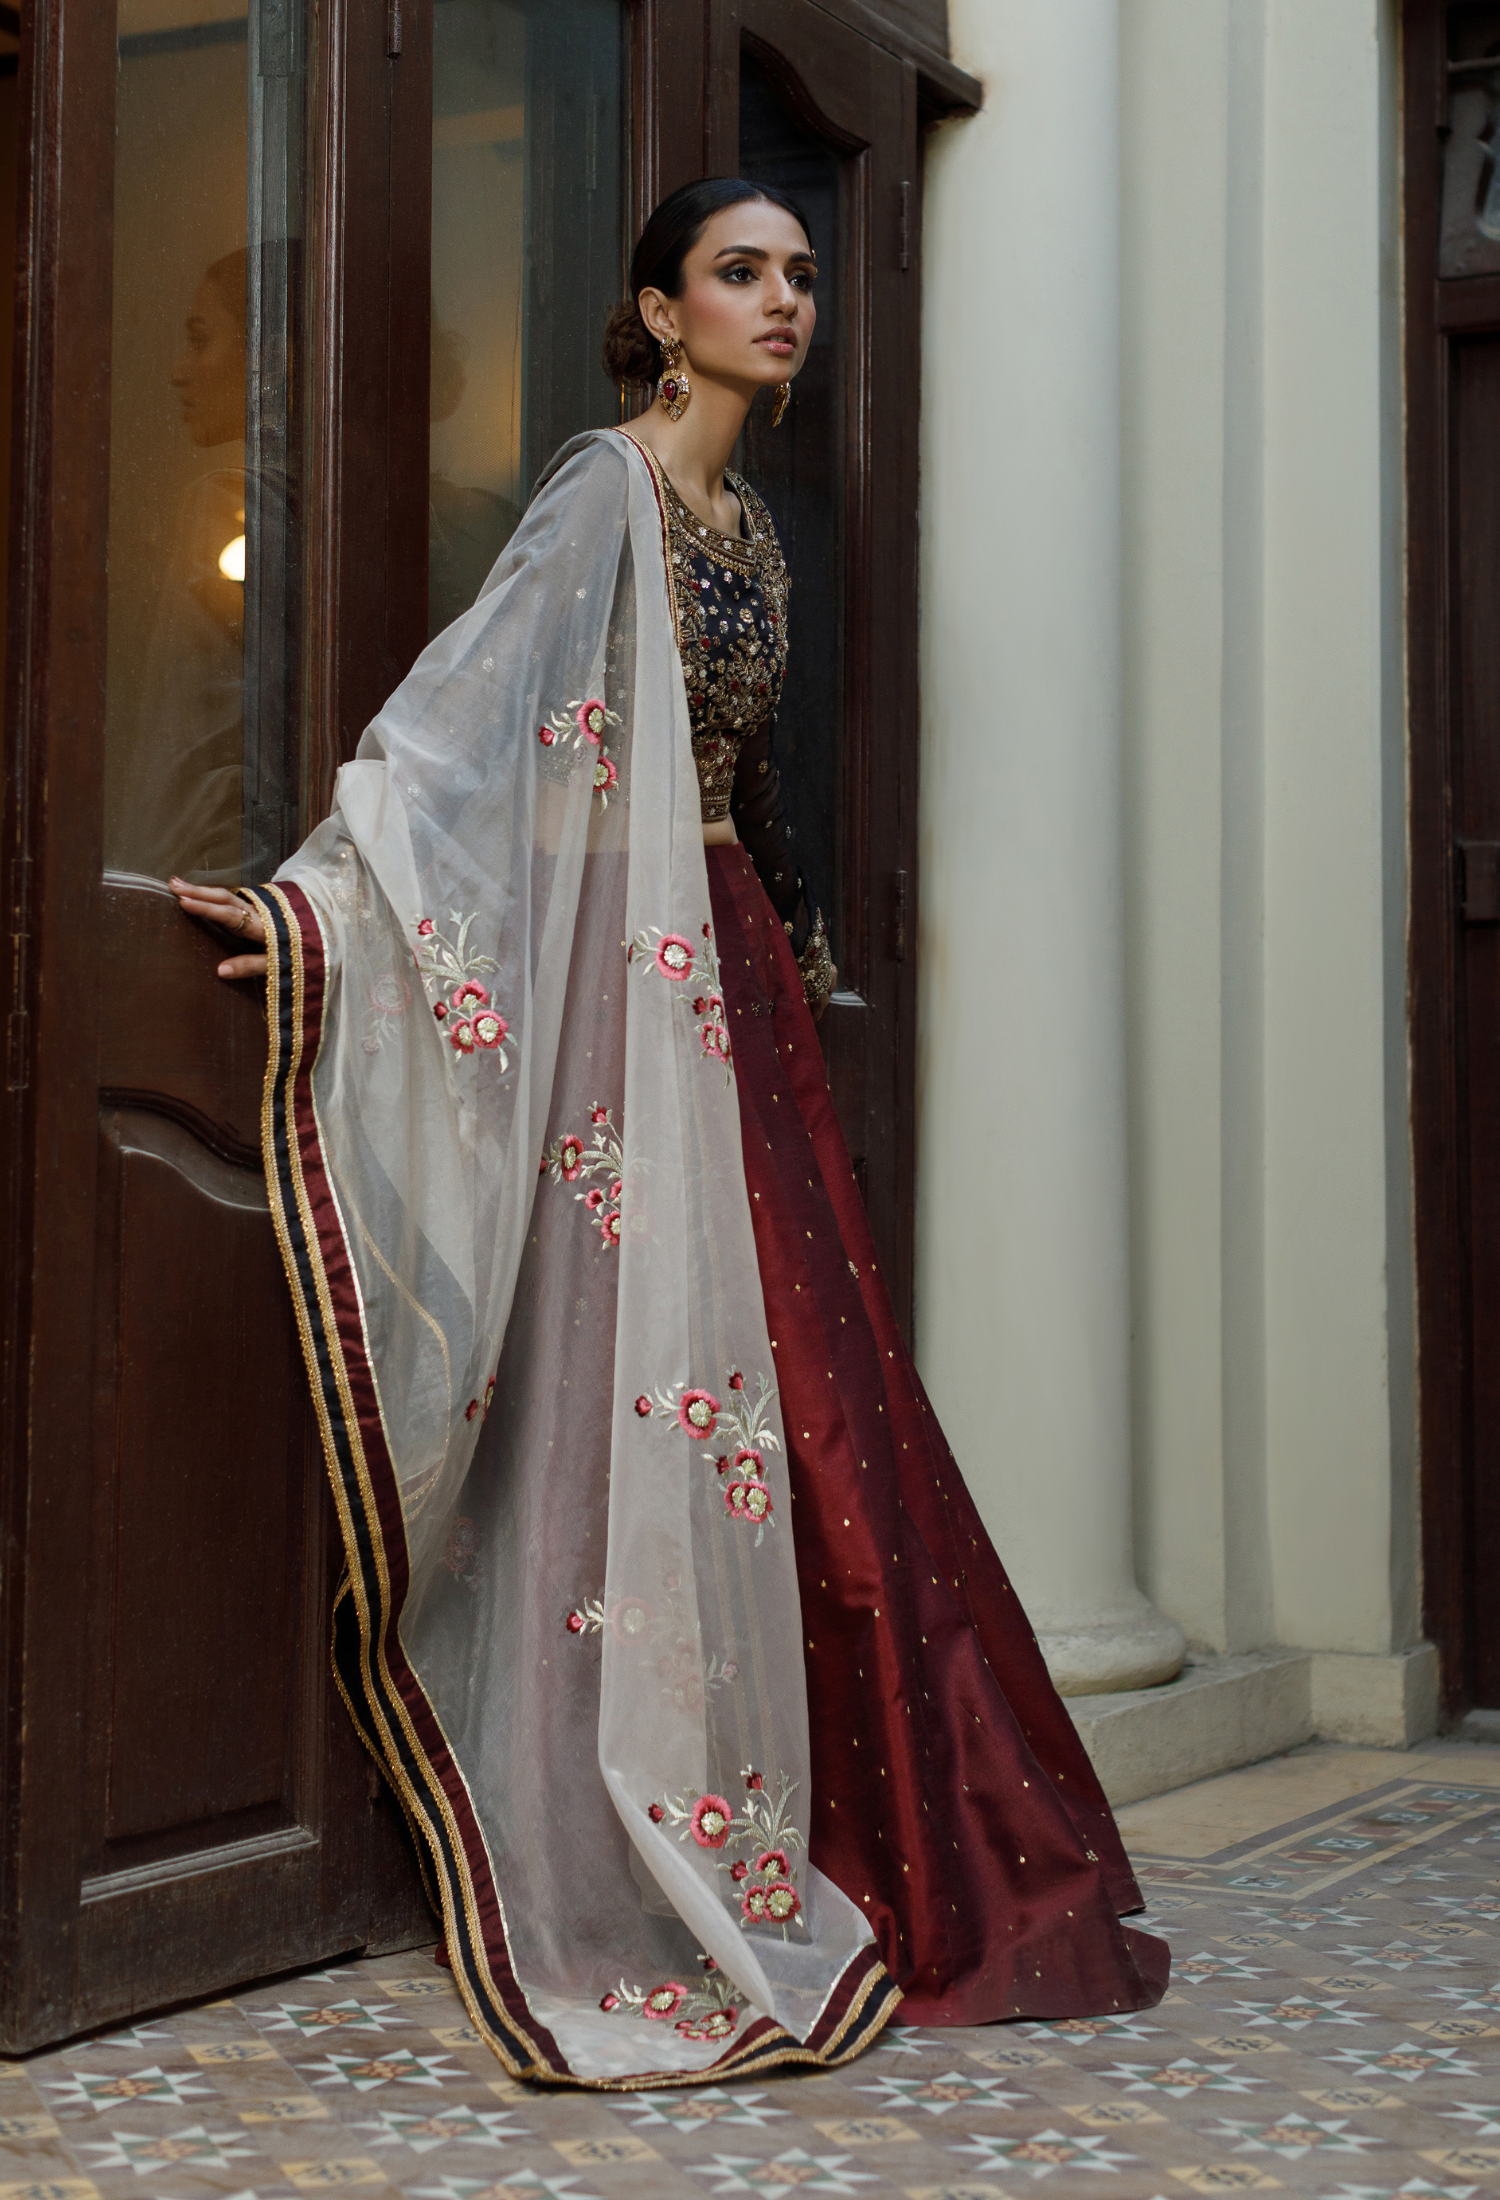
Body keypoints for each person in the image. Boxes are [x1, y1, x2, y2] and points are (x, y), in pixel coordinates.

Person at [169, 178, 1168, 2092]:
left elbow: (751, 786)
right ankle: (656, 1815)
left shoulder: (751, 519)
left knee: (820, 1400)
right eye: (743, 274)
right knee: (702, 1395)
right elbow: (468, 728)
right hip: (635, 991)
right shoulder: (606, 493)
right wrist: (321, 907)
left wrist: (802, 978)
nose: (784, 301)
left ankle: (869, 1825)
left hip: (739, 990)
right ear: (661, 307)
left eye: (800, 275)